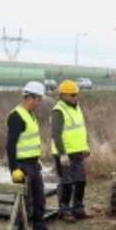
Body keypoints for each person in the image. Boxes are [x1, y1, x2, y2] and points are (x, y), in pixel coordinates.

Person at [7, 81, 54, 230]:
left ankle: (39, 229)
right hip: (22, 166)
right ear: (30, 98)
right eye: (39, 99)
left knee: (39, 198)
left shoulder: (30, 115)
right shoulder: (16, 116)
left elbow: (30, 141)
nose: (40, 103)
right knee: (24, 201)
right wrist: (14, 169)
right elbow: (10, 145)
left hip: (33, 164)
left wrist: (36, 159)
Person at [50, 79, 90, 222]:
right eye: (72, 95)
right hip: (64, 154)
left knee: (80, 181)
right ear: (63, 95)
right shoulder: (58, 110)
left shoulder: (77, 108)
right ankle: (64, 210)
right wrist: (62, 154)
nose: (75, 97)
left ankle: (78, 208)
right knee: (66, 183)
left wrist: (85, 147)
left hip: (77, 152)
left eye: (76, 94)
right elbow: (56, 134)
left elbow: (81, 130)